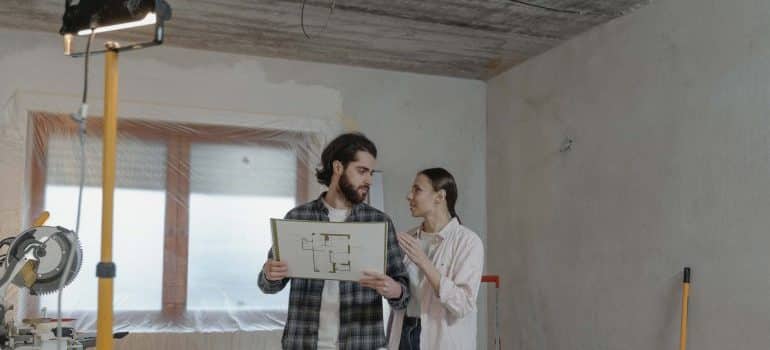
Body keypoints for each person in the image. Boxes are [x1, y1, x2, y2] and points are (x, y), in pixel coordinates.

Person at [258, 132, 410, 350]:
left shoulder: (379, 222)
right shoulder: (298, 218)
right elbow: (268, 286)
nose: (369, 180)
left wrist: (394, 289)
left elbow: (403, 295)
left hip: (362, 343)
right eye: (362, 171)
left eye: (371, 173)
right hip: (304, 342)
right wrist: (269, 273)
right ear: (338, 167)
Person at [388, 168, 484, 350]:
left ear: (440, 196)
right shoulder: (408, 239)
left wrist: (424, 262)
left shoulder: (468, 242)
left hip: (443, 341)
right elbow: (402, 294)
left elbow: (463, 304)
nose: (409, 196)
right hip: (404, 334)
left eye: (417, 190)